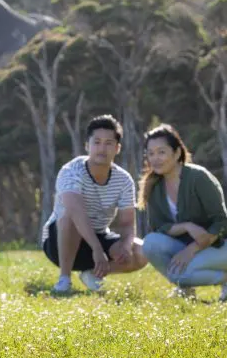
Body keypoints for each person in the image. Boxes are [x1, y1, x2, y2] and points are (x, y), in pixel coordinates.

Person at [41, 114, 148, 293]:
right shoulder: (71, 171)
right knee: (69, 217)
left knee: (143, 251)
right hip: (59, 241)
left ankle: (92, 273)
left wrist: (126, 246)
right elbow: (75, 212)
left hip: (98, 235)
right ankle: (64, 279)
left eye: (108, 143)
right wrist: (97, 250)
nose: (102, 149)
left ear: (117, 148)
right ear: (87, 146)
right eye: (96, 142)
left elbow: (128, 225)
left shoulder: (124, 180)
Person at [137, 124, 227, 301]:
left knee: (182, 275)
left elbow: (221, 223)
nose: (155, 158)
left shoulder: (198, 177)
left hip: (224, 246)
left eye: (161, 152)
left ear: (177, 153)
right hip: (187, 245)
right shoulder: (154, 186)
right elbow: (159, 227)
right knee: (150, 243)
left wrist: (192, 249)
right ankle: (186, 289)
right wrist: (187, 227)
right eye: (151, 153)